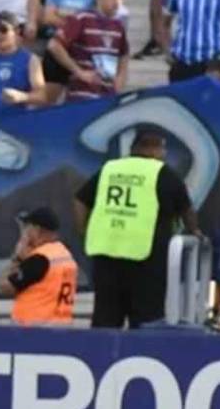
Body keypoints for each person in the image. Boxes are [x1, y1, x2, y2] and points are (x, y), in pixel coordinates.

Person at [74, 130, 203, 329]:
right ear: (154, 149)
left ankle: (101, 359)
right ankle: (140, 359)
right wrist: (195, 232)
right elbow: (186, 209)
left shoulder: (111, 169)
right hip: (145, 257)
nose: (163, 154)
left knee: (105, 320)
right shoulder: (161, 173)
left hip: (107, 253)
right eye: (162, 149)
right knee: (145, 322)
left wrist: (84, 229)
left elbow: (81, 199)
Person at [46, 0, 129, 102]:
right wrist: (79, 72)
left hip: (108, 96)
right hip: (82, 95)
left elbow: (124, 53)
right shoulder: (82, 19)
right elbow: (54, 45)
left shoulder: (118, 25)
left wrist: (120, 78)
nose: (118, 3)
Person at [0, 207, 77, 326]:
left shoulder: (40, 259)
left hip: (34, 332)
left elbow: (3, 288)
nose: (24, 233)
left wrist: (17, 258)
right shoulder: (64, 255)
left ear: (37, 230)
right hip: (62, 328)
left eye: (27, 227)